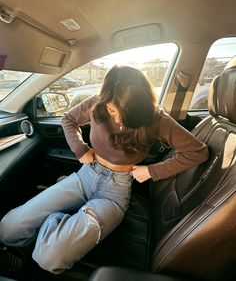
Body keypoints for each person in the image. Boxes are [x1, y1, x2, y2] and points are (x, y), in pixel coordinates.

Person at [0, 65, 209, 274]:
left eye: (125, 114)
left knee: (49, 258)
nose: (117, 119)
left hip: (114, 194)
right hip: (85, 176)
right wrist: (80, 149)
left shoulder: (155, 119)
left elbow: (198, 152)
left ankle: (53, 221)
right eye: (111, 110)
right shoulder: (96, 102)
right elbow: (68, 119)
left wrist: (152, 171)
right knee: (8, 229)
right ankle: (58, 223)